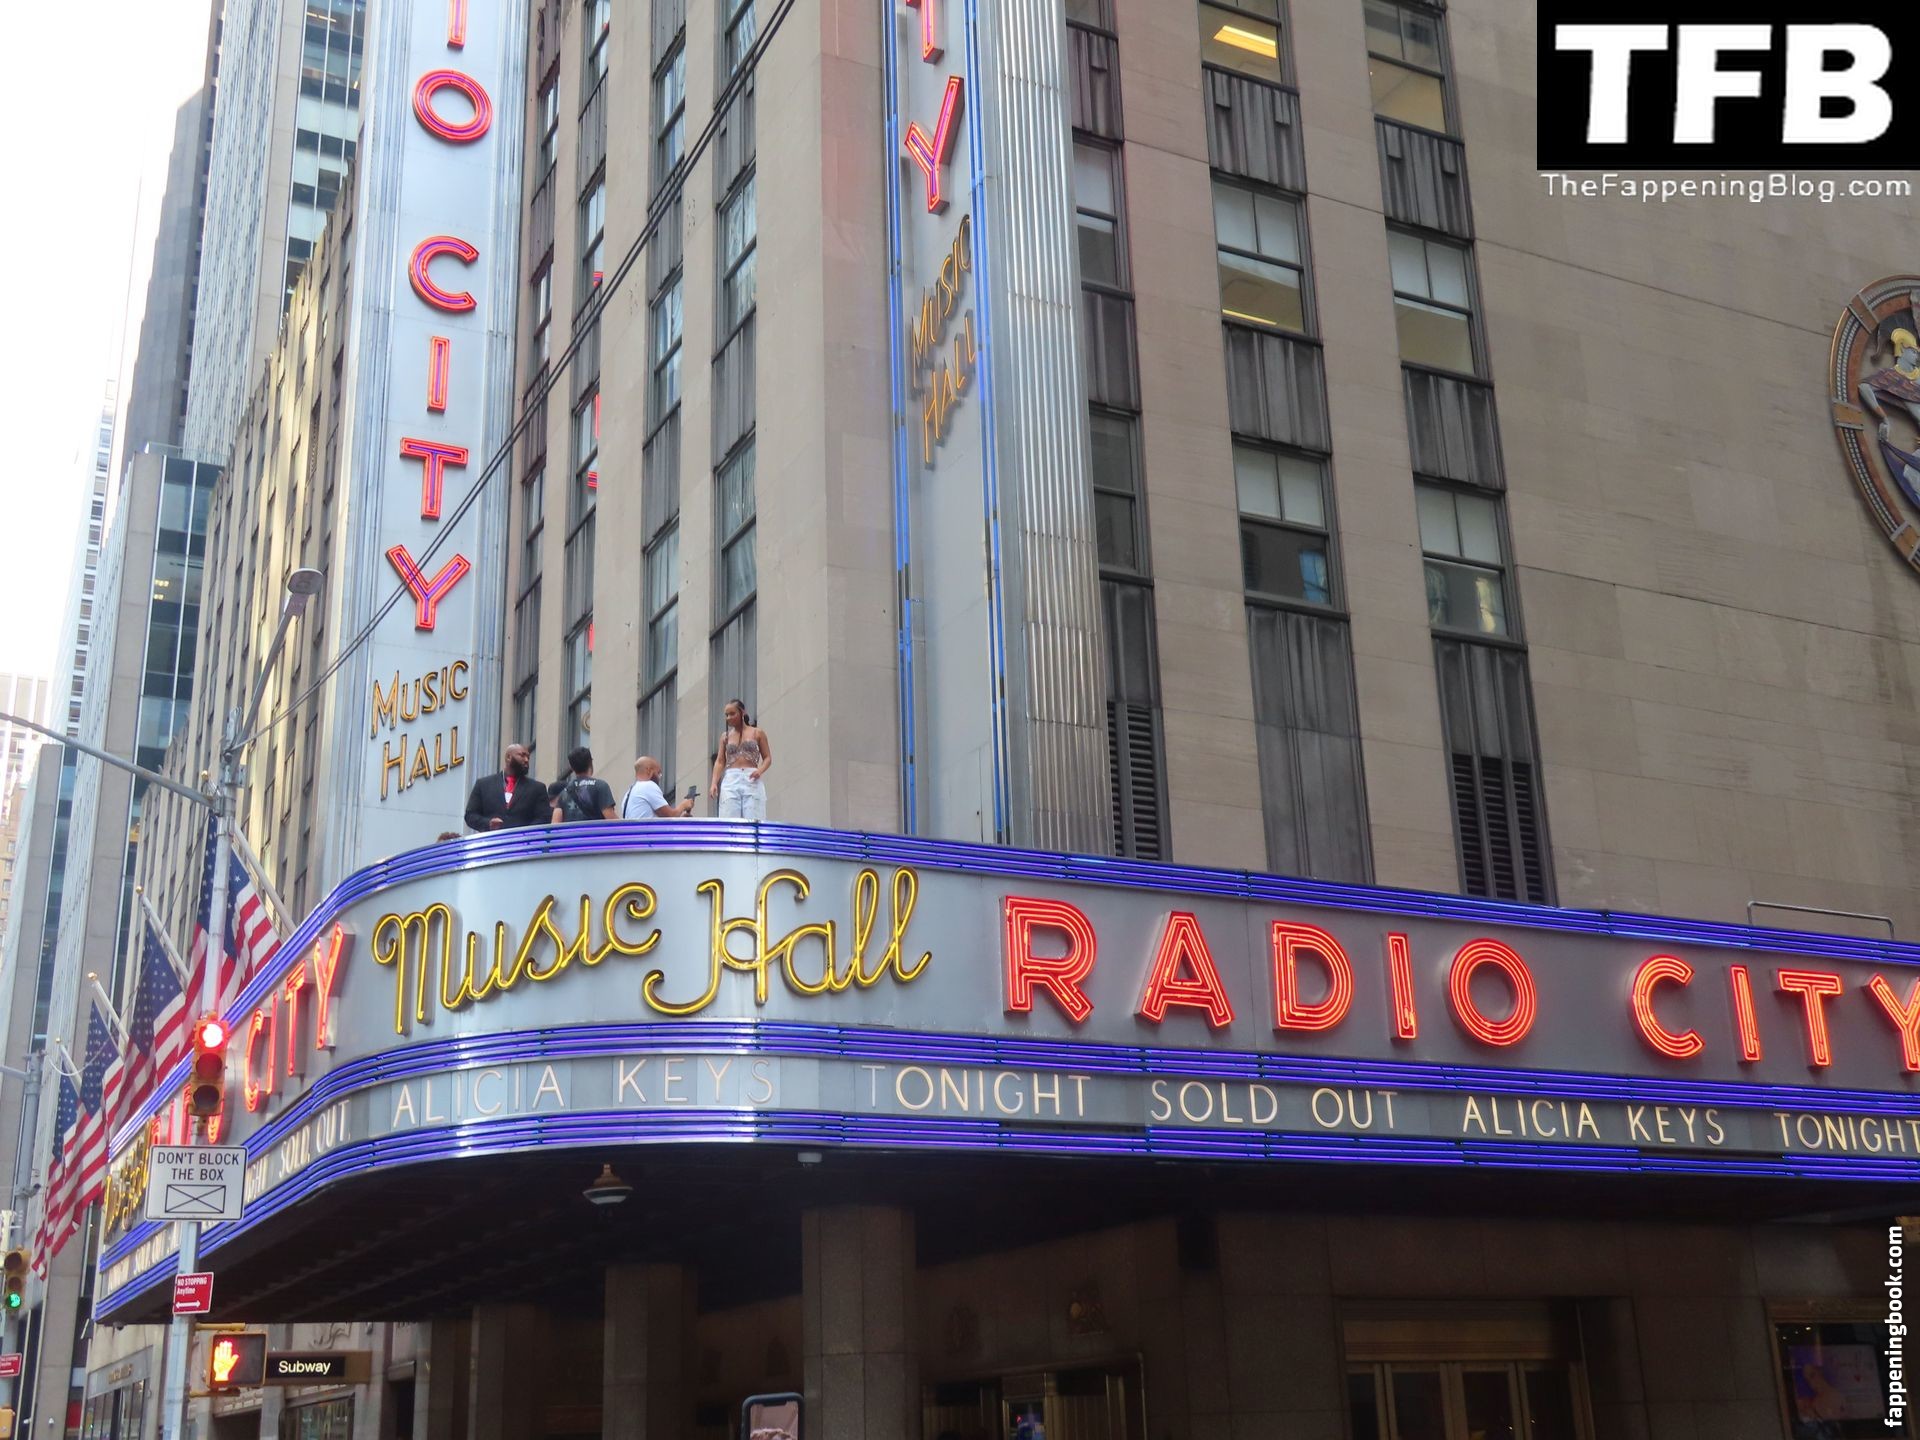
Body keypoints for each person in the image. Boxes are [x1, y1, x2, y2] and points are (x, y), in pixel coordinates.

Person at [463, 743, 551, 831]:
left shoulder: (537, 788)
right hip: (493, 838)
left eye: (528, 757)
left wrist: (523, 833)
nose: (526, 760)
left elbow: (544, 818)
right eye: (522, 755)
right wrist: (488, 823)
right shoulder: (483, 784)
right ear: (508, 757)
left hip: (523, 839)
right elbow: (470, 815)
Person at [710, 699, 771, 820]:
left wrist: (760, 770)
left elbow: (768, 758)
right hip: (731, 778)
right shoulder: (725, 736)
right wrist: (714, 783)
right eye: (726, 715)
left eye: (732, 714)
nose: (728, 718)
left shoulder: (757, 733)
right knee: (729, 818)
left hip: (751, 777)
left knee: (754, 818)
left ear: (742, 712)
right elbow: (720, 761)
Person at [551, 746, 618, 822]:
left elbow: (555, 823)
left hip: (573, 830)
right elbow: (611, 818)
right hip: (594, 830)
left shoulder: (565, 792)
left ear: (572, 768)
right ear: (590, 762)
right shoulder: (601, 786)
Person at [622, 756, 694, 820]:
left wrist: (680, 820)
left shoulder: (628, 794)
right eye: (658, 773)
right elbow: (670, 816)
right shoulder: (648, 786)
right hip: (646, 831)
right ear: (649, 770)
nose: (659, 778)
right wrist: (684, 805)